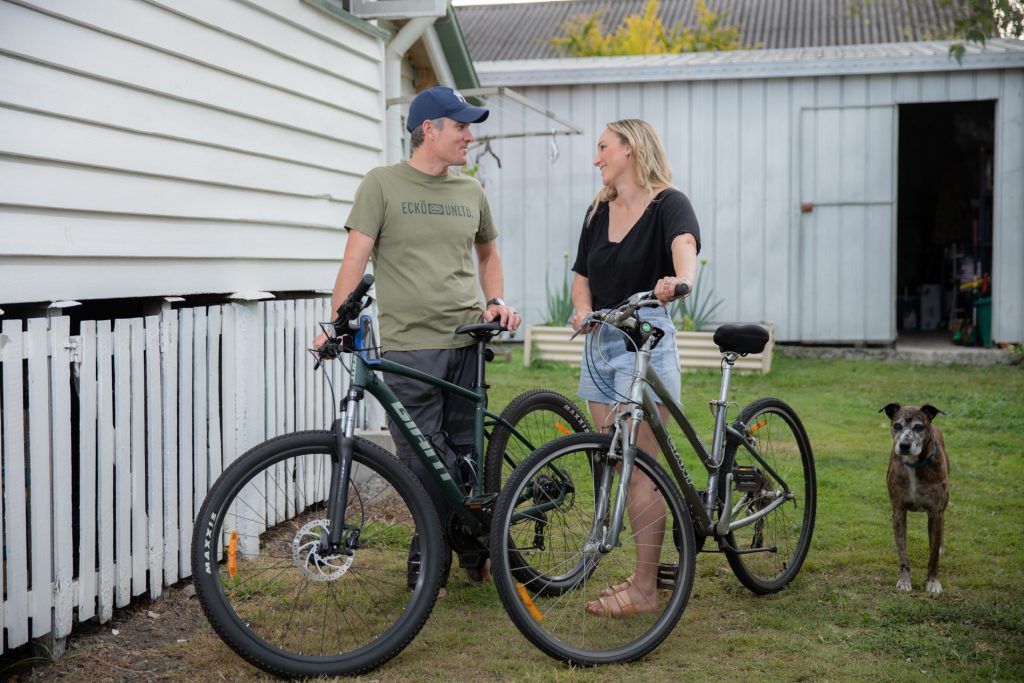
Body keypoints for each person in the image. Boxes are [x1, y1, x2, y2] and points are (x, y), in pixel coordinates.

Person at [314, 86, 521, 594]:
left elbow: (489, 254)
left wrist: (495, 300)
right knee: (422, 457)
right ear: (429, 129)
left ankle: (461, 554)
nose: (470, 137)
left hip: (468, 339)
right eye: (461, 127)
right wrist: (334, 321)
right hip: (411, 344)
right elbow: (354, 258)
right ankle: (460, 547)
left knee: (465, 455)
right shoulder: (381, 184)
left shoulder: (470, 191)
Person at [569, 119, 700, 618]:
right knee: (614, 458)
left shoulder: (670, 203)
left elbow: (685, 250)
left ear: (630, 147)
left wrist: (679, 282)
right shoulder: (597, 211)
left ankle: (646, 589)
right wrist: (582, 310)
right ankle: (645, 573)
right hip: (601, 338)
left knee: (641, 468)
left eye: (603, 146)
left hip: (645, 336)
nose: (597, 157)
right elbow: (581, 276)